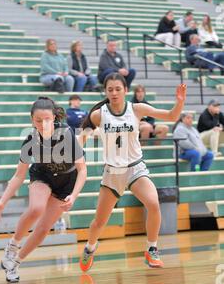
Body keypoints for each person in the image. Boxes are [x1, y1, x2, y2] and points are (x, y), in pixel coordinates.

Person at [79, 73, 187, 272]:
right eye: (110, 89)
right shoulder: (99, 114)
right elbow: (83, 136)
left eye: (118, 89)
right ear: (105, 91)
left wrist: (179, 102)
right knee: (99, 222)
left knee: (154, 203)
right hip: (113, 173)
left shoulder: (137, 109)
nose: (114, 93)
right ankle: (90, 247)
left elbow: (171, 116)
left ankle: (152, 249)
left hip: (135, 167)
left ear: (125, 91)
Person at [0, 97, 87, 283]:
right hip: (42, 175)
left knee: (43, 229)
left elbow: (83, 170)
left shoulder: (67, 135)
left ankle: (15, 263)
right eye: (38, 121)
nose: (43, 124)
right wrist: (2, 202)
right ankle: (13, 245)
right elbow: (19, 176)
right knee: (36, 209)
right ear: (32, 120)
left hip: (66, 182)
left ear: (54, 118)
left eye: (47, 119)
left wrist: (73, 195)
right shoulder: (30, 140)